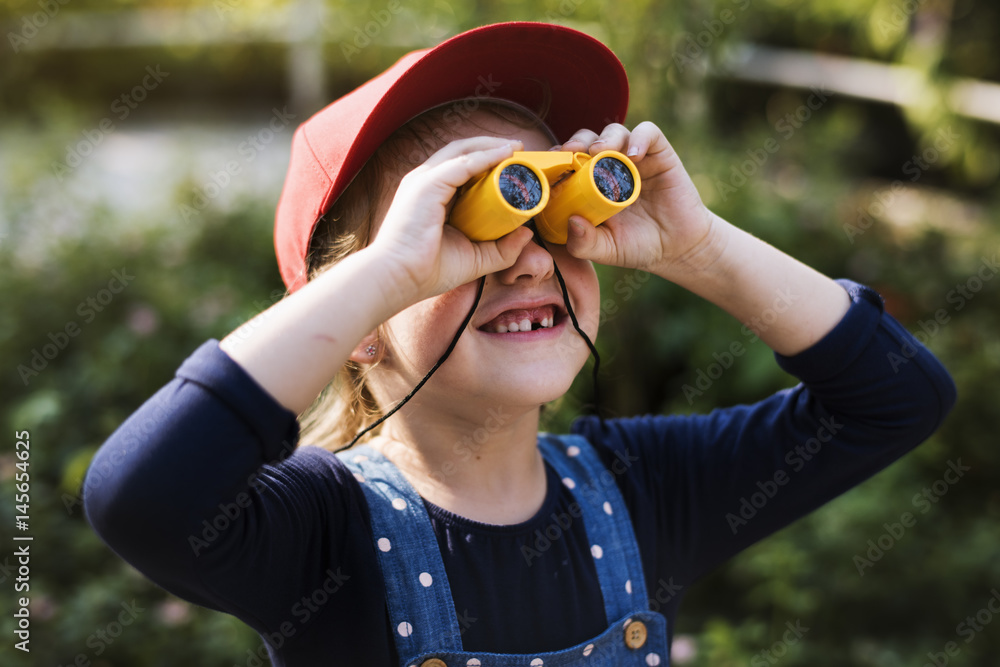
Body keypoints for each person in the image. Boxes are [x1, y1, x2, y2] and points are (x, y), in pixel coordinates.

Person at [84, 21, 956, 667]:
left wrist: (700, 246)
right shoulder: (319, 534)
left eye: (552, 211)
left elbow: (897, 398)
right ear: (354, 325)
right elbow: (139, 494)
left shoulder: (646, 490)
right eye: (463, 229)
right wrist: (388, 273)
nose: (526, 258)